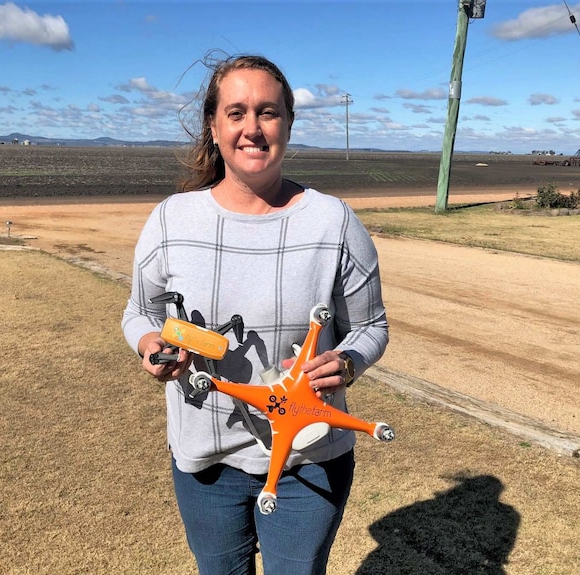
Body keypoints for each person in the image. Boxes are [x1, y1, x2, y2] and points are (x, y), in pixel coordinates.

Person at [122, 54, 388, 575]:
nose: (253, 128)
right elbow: (139, 312)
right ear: (214, 125)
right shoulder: (172, 220)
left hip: (308, 458)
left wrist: (349, 362)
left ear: (288, 123)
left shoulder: (332, 222)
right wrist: (150, 346)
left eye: (268, 112)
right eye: (237, 112)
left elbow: (370, 325)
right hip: (206, 458)